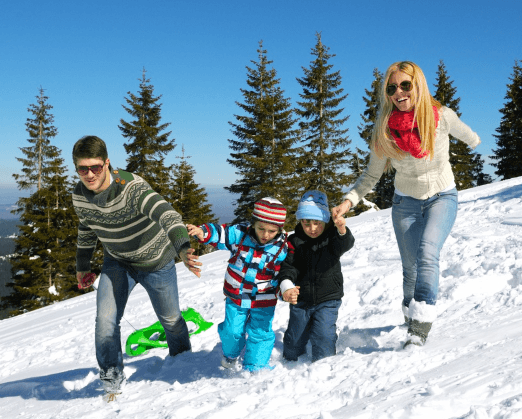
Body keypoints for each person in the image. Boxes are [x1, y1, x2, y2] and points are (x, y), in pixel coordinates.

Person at [330, 61, 480, 347]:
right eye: (392, 88)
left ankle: (419, 329)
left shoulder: (441, 117)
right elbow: (371, 175)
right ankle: (411, 314)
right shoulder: (384, 130)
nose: (399, 92)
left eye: (405, 85)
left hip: (442, 196)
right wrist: (348, 202)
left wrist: (473, 139)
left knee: (427, 252)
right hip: (405, 202)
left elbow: (466, 133)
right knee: (410, 267)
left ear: (418, 85)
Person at [71, 135, 203, 401]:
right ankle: (111, 377)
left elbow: (166, 214)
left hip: (156, 260)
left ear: (107, 163)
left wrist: (182, 248)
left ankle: (182, 360)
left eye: (95, 167)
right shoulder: (79, 196)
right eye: (82, 169)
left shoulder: (131, 188)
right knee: (106, 321)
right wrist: (82, 266)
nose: (89, 174)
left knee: (170, 320)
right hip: (117, 261)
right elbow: (86, 229)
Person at [187, 197, 292, 372]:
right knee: (232, 331)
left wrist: (284, 291)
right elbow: (221, 233)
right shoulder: (240, 234)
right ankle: (230, 354)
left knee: (260, 332)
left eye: (271, 231)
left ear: (279, 230)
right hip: (236, 295)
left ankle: (256, 366)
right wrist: (203, 232)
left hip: (264, 298)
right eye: (261, 229)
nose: (265, 235)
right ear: (253, 224)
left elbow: (284, 274)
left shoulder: (282, 248)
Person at [278, 190, 354, 362]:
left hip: (328, 298)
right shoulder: (294, 241)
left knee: (323, 340)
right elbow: (288, 267)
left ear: (325, 220)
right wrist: (287, 284)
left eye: (317, 223)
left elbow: (345, 244)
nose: (312, 228)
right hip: (302, 300)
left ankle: (323, 364)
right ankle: (293, 360)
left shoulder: (331, 237)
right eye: (306, 223)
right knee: (292, 346)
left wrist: (341, 228)